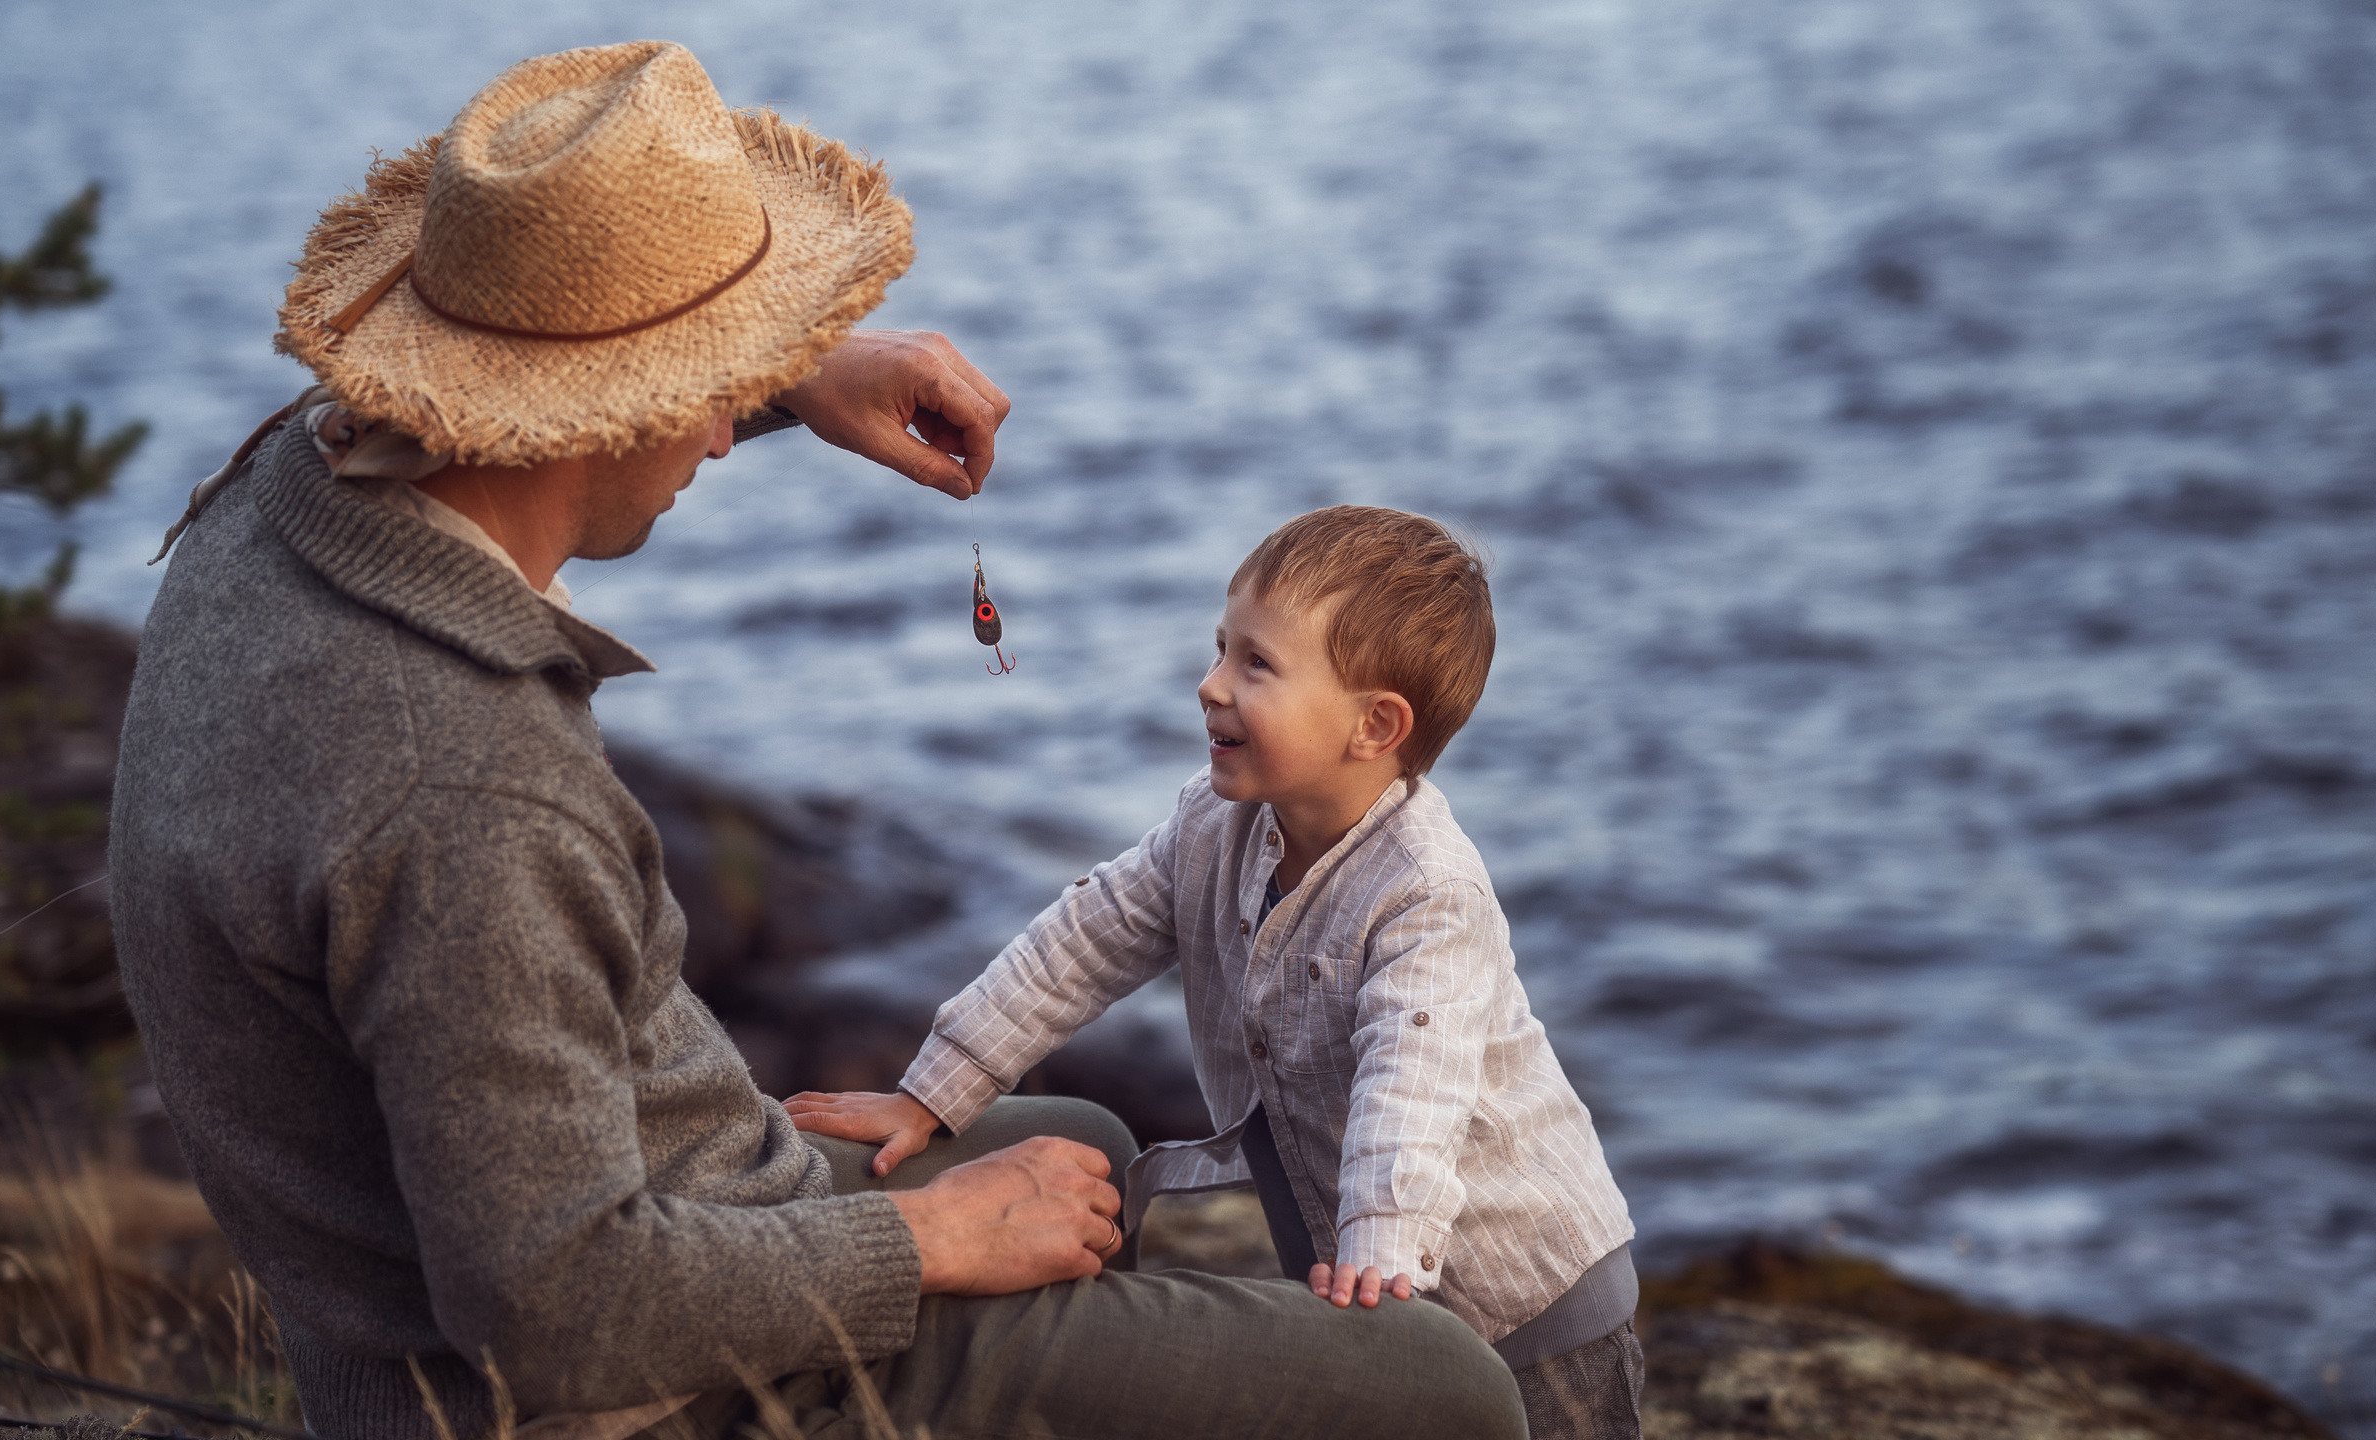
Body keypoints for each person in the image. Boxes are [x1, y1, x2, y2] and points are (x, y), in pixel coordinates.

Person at [109, 40, 1525, 1440]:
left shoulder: (281, 498)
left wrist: (795, 376)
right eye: (712, 383)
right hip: (641, 1393)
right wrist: (932, 1242)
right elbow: (555, 1310)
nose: (724, 433)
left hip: (552, 1250)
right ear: (624, 405)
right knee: (1441, 1389)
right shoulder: (468, 785)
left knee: (1083, 1153)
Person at [788, 507, 1646, 1440]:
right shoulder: (1216, 824)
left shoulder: (1427, 893)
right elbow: (1083, 940)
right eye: (1219, 649)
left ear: (1374, 725)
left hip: (1527, 1298)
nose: (1209, 686)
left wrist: (1380, 1256)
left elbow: (1415, 1084)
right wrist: (933, 1094)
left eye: (1255, 665)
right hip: (1363, 1268)